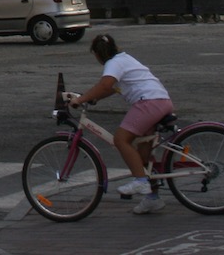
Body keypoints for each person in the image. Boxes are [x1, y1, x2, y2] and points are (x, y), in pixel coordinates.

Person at [70, 33, 174, 214]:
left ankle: (141, 182)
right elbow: (111, 88)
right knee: (143, 154)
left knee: (121, 139)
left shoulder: (114, 63)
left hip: (148, 103)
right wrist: (93, 99)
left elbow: (105, 84)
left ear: (97, 54)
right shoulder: (124, 59)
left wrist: (81, 99)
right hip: (161, 101)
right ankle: (152, 198)